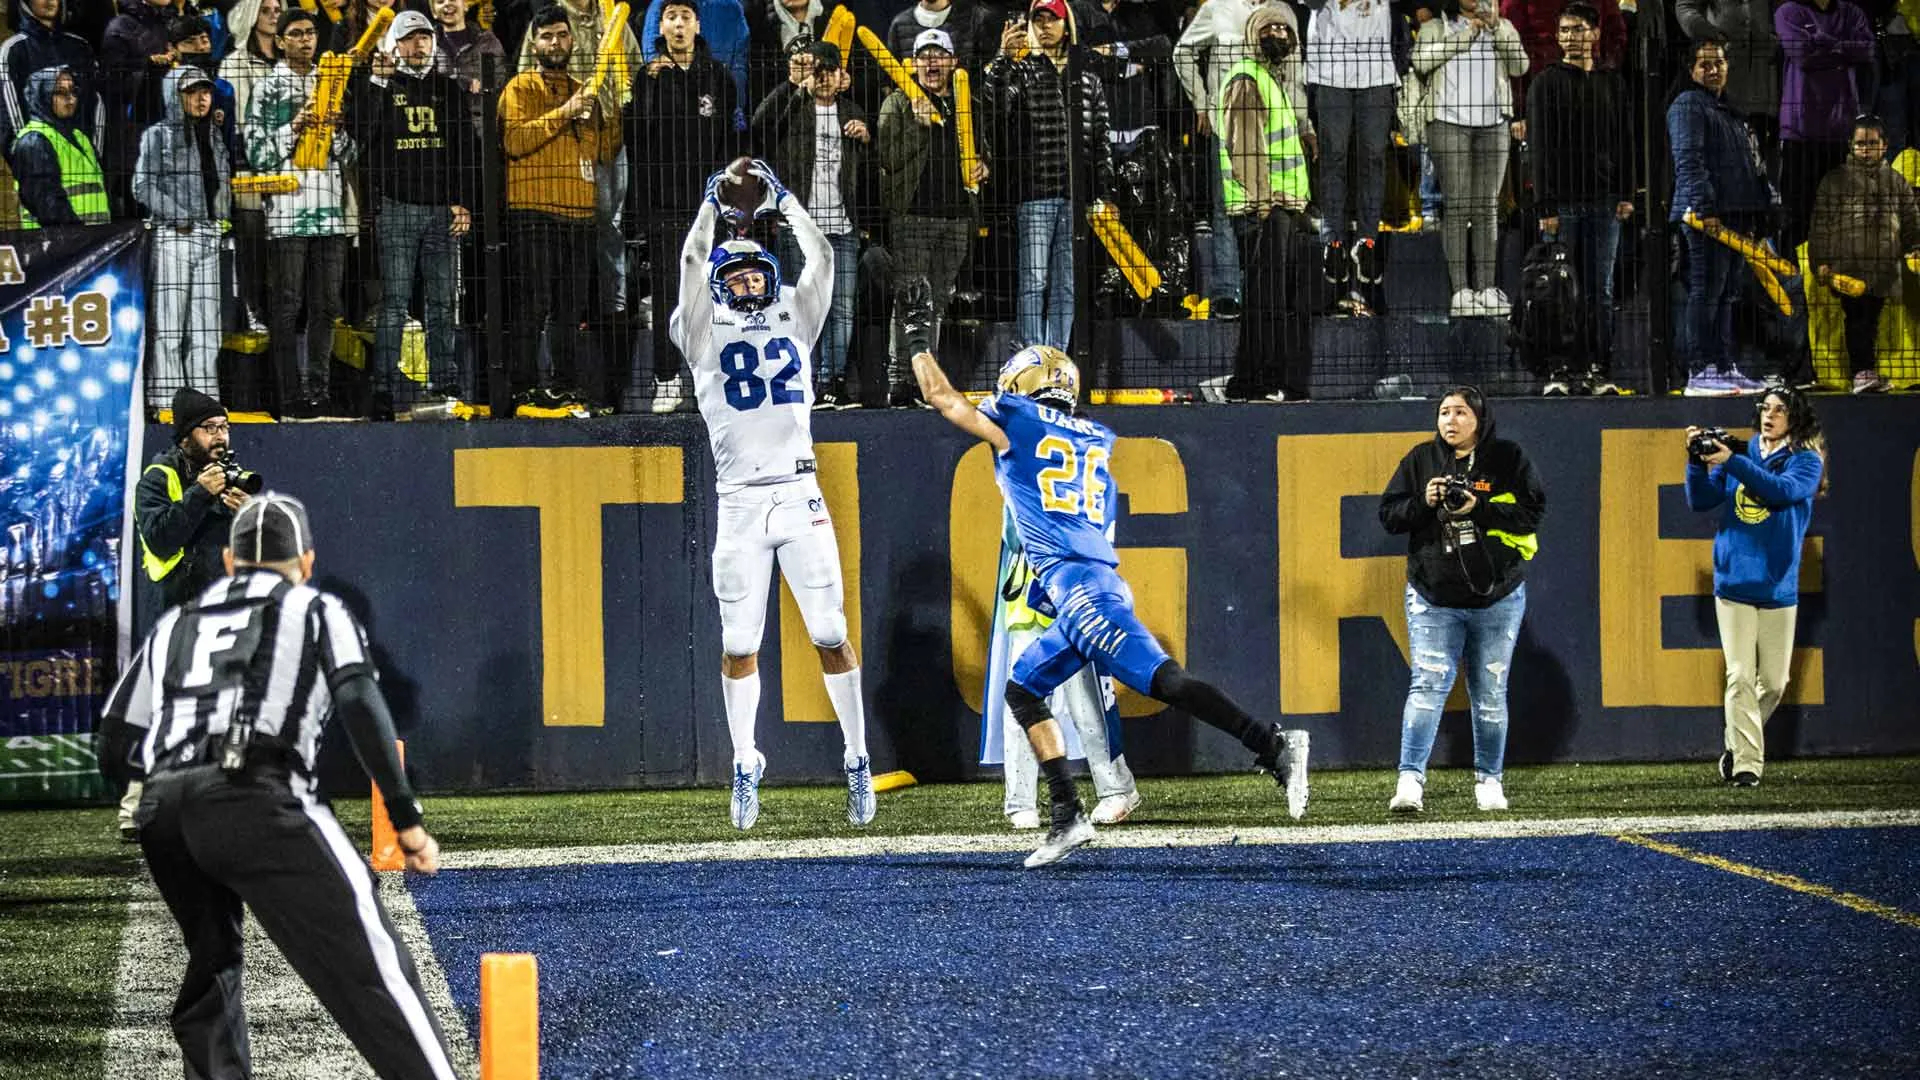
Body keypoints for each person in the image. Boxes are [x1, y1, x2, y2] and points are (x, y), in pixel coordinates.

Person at [94, 492, 458, 1080]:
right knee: (372, 964)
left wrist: (170, 786)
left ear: (232, 564)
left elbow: (114, 743)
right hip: (256, 791)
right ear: (306, 563)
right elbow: (360, 699)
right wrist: (405, 817)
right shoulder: (315, 609)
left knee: (212, 970)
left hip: (165, 810)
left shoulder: (176, 625)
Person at [913, 343, 1309, 867]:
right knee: (1023, 688)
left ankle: (1273, 743)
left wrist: (916, 343)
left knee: (1166, 682)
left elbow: (941, 397)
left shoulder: (1018, 420)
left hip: (1080, 589)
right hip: (1088, 579)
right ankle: (1067, 814)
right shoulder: (1093, 439)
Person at [669, 159, 875, 830]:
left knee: (830, 631)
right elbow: (693, 258)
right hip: (740, 504)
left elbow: (823, 257)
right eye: (738, 276)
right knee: (738, 643)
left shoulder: (794, 316)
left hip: (799, 492)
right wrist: (710, 203)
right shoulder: (700, 332)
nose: (751, 281)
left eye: (758, 272)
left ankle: (856, 755)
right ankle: (745, 759)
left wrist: (785, 199)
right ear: (721, 287)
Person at [1377, 386, 1545, 814]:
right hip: (1434, 595)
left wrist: (1479, 506)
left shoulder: (1508, 458)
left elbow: (1532, 512)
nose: (1450, 421)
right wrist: (1424, 502)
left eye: (1460, 413)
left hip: (1497, 596)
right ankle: (1410, 780)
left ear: (1480, 419)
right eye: (1444, 412)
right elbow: (1389, 515)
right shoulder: (1421, 459)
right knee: (1428, 685)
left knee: (1489, 690)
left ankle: (1489, 781)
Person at [123, 388, 253, 841]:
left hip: (226, 610)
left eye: (225, 427)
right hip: (177, 610)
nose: (221, 437)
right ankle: (140, 805)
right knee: (166, 711)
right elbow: (161, 539)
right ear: (186, 436)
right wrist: (200, 494)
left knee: (231, 708)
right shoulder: (158, 478)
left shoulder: (233, 478)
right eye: (211, 428)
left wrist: (249, 516)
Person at [1684, 389, 1827, 787]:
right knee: (1740, 676)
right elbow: (1701, 500)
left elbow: (1779, 492)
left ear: (1795, 418)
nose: (1770, 415)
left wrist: (1734, 461)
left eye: (1780, 410)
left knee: (1775, 684)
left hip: (1778, 588)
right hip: (1733, 585)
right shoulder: (1741, 454)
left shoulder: (1806, 462)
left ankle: (1736, 741)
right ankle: (1747, 766)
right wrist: (1696, 462)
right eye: (1765, 408)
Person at [349, 8, 478, 415]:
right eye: (409, 38)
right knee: (395, 303)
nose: (418, 44)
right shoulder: (381, 86)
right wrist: (376, 80)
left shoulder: (449, 89)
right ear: (395, 45)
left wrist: (463, 201)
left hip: (441, 209)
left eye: (424, 37)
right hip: (397, 208)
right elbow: (361, 134)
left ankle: (446, 381)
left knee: (442, 302)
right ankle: (383, 387)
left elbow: (465, 150)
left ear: (433, 42)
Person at [500, 3, 621, 411]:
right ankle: (524, 387)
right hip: (533, 208)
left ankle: (563, 384)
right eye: (547, 36)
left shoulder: (582, 89)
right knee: (533, 304)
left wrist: (608, 109)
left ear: (572, 40)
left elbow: (605, 151)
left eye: (562, 35)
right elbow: (514, 141)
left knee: (570, 310)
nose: (555, 42)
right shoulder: (520, 88)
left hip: (580, 212)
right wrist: (565, 112)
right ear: (534, 44)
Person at [244, 6, 359, 419]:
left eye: (311, 32)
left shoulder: (332, 83)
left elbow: (351, 154)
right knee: (287, 307)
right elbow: (256, 154)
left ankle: (318, 391)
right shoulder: (266, 90)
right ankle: (288, 396)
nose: (306, 39)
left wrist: (340, 130)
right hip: (287, 214)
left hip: (330, 211)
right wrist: (294, 126)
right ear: (280, 41)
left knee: (327, 305)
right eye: (295, 33)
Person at [984, 0, 1112, 352]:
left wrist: (1106, 191)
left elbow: (1101, 138)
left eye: (1051, 19)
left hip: (1076, 196)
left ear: (1066, 24)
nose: (1044, 26)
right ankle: (1032, 356)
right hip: (1035, 192)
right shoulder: (1021, 71)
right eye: (1037, 20)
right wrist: (1001, 60)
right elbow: (991, 105)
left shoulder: (1087, 78)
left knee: (1066, 284)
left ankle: (1056, 355)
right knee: (1034, 280)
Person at [750, 40, 868, 408]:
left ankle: (832, 379)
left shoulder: (852, 111)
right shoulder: (794, 106)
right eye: (816, 71)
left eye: (828, 70)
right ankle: (805, 376)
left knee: (841, 307)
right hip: (798, 226)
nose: (822, 78)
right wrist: (792, 86)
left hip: (842, 225)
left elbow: (870, 166)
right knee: (799, 306)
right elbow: (760, 125)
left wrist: (866, 136)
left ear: (840, 75)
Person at [875, 27, 987, 408]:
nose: (931, 62)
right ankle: (899, 381)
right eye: (924, 56)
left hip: (956, 218)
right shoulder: (897, 103)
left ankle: (928, 381)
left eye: (939, 55)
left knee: (937, 302)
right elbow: (887, 158)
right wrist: (917, 126)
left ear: (953, 62)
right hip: (913, 217)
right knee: (909, 301)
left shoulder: (966, 102)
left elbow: (982, 149)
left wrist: (983, 167)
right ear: (913, 64)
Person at [1528, 0, 1631, 395]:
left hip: (1605, 201)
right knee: (1560, 290)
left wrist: (1625, 193)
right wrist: (1546, 207)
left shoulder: (1612, 82)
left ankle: (1598, 369)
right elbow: (1539, 149)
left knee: (1600, 291)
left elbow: (1625, 140)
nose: (1572, 37)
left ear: (1596, 33)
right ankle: (1559, 371)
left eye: (1579, 29)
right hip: (1564, 204)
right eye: (1565, 30)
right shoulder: (1545, 83)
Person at [1212, 3, 1312, 402]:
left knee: (1273, 301)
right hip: (1263, 210)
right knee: (1264, 303)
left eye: (1285, 30)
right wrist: (1263, 202)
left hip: (1281, 208)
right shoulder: (1247, 78)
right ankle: (1256, 381)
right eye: (1270, 29)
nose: (1279, 36)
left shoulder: (1272, 79)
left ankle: (1266, 380)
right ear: (1254, 34)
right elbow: (1246, 149)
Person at [1408, 0, 1527, 319]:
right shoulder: (1436, 27)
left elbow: (1520, 66)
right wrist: (1464, 37)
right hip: (1448, 123)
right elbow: (1420, 62)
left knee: (1488, 208)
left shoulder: (1502, 27)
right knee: (1458, 206)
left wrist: (1496, 29)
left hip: (1493, 124)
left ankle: (1487, 288)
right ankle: (1460, 291)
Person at [1668, 38, 1771, 396]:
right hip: (1706, 218)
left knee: (1726, 294)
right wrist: (1703, 209)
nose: (1713, 70)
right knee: (1706, 291)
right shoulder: (1687, 106)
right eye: (1704, 64)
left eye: (1719, 63)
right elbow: (1688, 160)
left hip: (1736, 214)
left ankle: (1724, 367)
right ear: (1691, 70)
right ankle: (1700, 371)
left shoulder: (1729, 109)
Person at [133, 65, 231, 401]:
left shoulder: (214, 134)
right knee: (170, 326)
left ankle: (205, 401)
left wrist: (221, 219)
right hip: (173, 235)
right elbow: (142, 186)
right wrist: (179, 216)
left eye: (205, 91)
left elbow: (221, 183)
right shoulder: (156, 135)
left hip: (209, 235)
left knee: (207, 328)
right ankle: (165, 400)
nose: (201, 98)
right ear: (174, 96)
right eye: (191, 92)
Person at [1808, 116, 1920, 394]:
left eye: (1872, 143)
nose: (1866, 149)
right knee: (1856, 319)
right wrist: (1820, 261)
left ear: (1884, 146)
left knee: (1871, 320)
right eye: (1860, 144)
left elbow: (1910, 220)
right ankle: (1861, 372)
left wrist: (1915, 245)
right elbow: (1819, 224)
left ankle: (1867, 371)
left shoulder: (1897, 182)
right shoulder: (1834, 181)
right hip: (1847, 267)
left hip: (1883, 268)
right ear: (1850, 145)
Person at [12, 65, 110, 228]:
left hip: (91, 243)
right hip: (56, 245)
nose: (70, 99)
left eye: (73, 91)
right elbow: (46, 204)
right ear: (42, 95)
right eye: (60, 92)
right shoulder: (34, 140)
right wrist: (79, 234)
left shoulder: (79, 137)